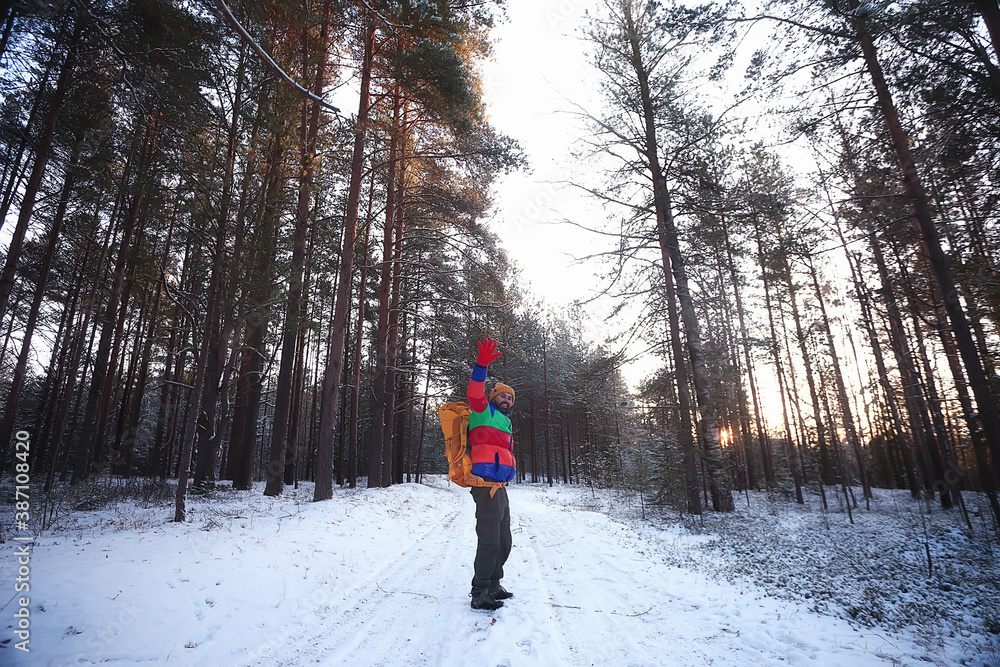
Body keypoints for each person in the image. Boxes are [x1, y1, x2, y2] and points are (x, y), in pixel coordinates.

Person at [467, 338, 516, 611]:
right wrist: (481, 365)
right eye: (502, 395)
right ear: (494, 397)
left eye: (510, 397)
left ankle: (494, 584)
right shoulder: (483, 410)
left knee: (504, 539)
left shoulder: (505, 422)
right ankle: (480, 591)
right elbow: (475, 393)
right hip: (484, 485)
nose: (506, 399)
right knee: (489, 540)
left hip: (500, 486)